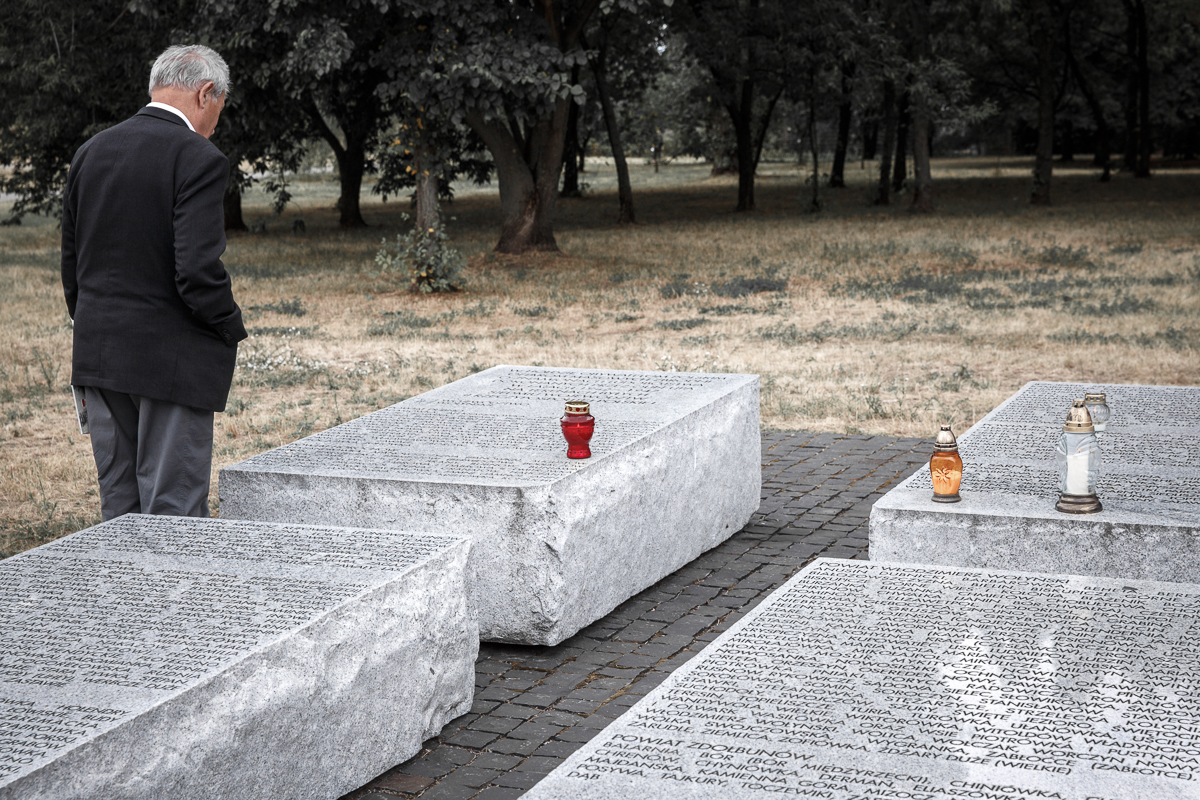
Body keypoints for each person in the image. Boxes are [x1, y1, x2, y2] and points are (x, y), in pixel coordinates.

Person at [61, 44, 247, 520]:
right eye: (220, 107)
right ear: (205, 93)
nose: (216, 123)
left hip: (99, 355)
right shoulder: (198, 157)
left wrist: (94, 324)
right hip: (170, 363)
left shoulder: (91, 151)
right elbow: (197, 271)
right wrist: (229, 326)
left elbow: (72, 264)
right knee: (173, 515)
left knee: (120, 511)